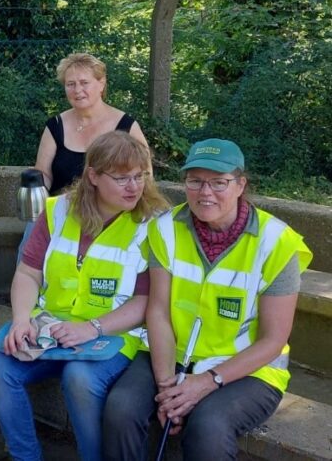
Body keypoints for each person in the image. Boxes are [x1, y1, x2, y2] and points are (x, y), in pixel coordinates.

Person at [102, 139, 312, 460]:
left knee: (209, 427)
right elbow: (157, 311)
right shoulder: (165, 228)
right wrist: (166, 387)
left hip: (248, 369)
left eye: (219, 182)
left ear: (241, 184)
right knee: (121, 408)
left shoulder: (276, 242)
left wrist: (207, 382)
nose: (205, 192)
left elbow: (273, 339)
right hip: (171, 354)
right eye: (195, 181)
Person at [0, 131, 168, 461]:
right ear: (93, 176)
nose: (134, 187)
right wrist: (22, 319)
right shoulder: (57, 210)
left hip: (115, 336)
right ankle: (25, 456)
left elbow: (146, 302)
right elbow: (28, 273)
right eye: (122, 178)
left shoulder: (153, 224)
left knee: (79, 377)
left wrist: (92, 328)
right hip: (51, 328)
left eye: (140, 176)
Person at [33, 53, 148, 195]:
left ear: (101, 83)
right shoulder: (55, 125)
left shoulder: (127, 126)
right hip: (62, 212)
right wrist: (36, 194)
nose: (77, 90)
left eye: (84, 83)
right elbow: (43, 173)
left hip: (114, 214)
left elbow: (145, 176)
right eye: (70, 84)